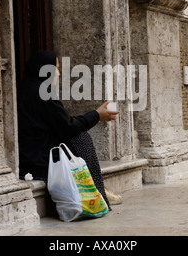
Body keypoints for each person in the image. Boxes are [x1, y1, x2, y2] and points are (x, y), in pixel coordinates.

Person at [17, 51, 122, 210]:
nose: (58, 74)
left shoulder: (24, 87)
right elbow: (69, 127)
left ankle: (97, 188)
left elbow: (61, 121)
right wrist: (96, 115)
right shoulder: (42, 92)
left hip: (26, 159)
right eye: (56, 68)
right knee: (81, 137)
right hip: (39, 162)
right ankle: (98, 192)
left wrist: (94, 115)